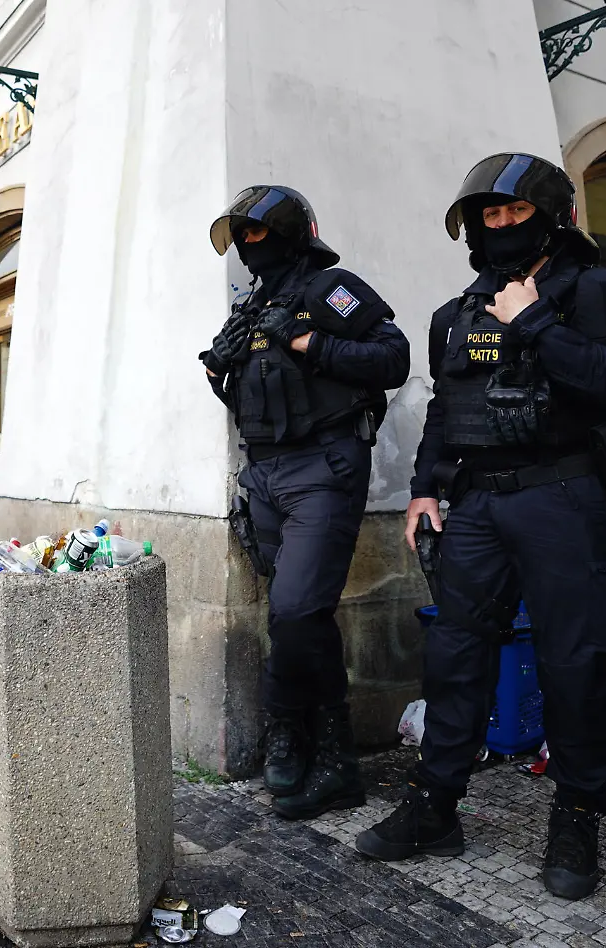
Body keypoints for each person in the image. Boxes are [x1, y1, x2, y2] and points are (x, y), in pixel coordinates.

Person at [354, 154, 606, 901]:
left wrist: (537, 322)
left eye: (515, 213)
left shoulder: (603, 291)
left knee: (573, 663)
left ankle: (579, 810)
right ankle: (435, 806)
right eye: (490, 216)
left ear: (550, 216)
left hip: (566, 497)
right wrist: (424, 490)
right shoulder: (455, 314)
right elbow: (444, 412)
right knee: (456, 655)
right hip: (478, 507)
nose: (502, 225)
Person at [200, 184, 410, 822]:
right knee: (295, 617)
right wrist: (218, 371)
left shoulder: (329, 290)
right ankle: (304, 742)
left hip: (323, 467)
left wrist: (305, 343)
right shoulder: (252, 303)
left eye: (257, 233)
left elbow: (392, 357)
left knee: (295, 610)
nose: (246, 246)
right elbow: (253, 395)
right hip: (264, 473)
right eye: (240, 236)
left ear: (289, 232)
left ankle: (327, 750)